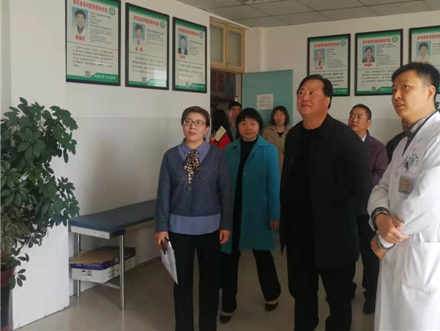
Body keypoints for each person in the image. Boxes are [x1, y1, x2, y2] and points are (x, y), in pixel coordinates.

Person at [367, 62, 440, 330]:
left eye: (405, 87)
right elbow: (381, 188)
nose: (396, 95)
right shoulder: (403, 143)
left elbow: (427, 204)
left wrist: (383, 239)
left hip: (432, 267)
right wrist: (380, 216)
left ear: (429, 91)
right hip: (403, 258)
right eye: (394, 89)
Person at [280, 74, 371, 331]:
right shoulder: (294, 135)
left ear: (328, 100)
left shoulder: (346, 139)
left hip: (335, 240)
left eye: (312, 92)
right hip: (300, 239)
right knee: (302, 299)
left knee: (339, 304)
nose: (304, 97)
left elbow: (362, 188)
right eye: (301, 92)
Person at [155, 106, 233, 331]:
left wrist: (226, 224)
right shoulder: (170, 156)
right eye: (188, 121)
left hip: (211, 228)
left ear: (207, 128)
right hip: (178, 229)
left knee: (210, 282)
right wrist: (161, 226)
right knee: (182, 282)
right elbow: (163, 194)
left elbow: (225, 191)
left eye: (198, 123)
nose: (192, 126)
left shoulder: (217, 155)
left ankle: (208, 326)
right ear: (182, 125)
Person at [220, 108, 281, 323]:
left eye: (253, 123)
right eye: (243, 123)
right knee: (228, 259)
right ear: (237, 126)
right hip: (232, 212)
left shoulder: (269, 150)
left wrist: (275, 214)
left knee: (263, 257)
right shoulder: (228, 149)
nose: (248, 127)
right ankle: (228, 304)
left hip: (258, 212)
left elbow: (274, 185)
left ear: (259, 126)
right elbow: (222, 182)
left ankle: (272, 294)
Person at [347, 103, 388, 314]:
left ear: (368, 122)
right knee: (346, 252)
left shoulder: (378, 147)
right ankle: (347, 288)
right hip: (344, 209)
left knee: (369, 255)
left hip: (366, 210)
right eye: (352, 115)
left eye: (359, 116)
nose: (354, 119)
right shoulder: (340, 143)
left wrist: (358, 185)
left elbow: (381, 175)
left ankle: (371, 294)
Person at [261, 105, 291, 175]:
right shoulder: (267, 131)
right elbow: (261, 150)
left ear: (285, 116)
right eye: (276, 115)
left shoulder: (291, 131)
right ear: (273, 117)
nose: (279, 118)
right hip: (269, 164)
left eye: (281, 115)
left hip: (286, 166)